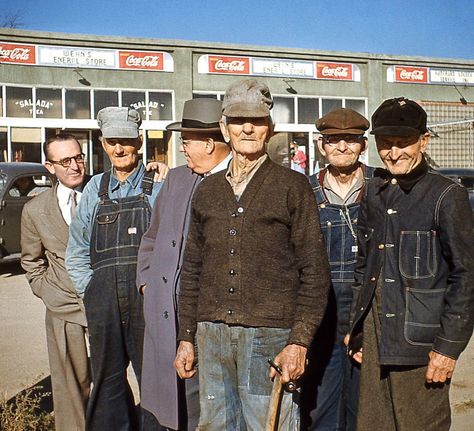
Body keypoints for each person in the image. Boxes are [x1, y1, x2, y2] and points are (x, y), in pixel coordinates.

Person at [174, 79, 331, 430]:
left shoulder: (293, 187)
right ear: (223, 129)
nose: (247, 127)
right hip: (211, 338)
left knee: (269, 425)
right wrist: (187, 337)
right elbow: (193, 269)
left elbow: (315, 273)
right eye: (238, 120)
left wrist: (299, 341)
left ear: (270, 129)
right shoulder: (207, 190)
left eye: (257, 120)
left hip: (269, 339)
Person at [346, 97, 474, 431]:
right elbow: (365, 265)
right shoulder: (374, 192)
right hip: (375, 342)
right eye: (385, 144)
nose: (393, 152)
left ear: (424, 140)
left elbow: (466, 276)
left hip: (422, 347)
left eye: (403, 143)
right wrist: (356, 329)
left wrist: (447, 349)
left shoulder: (447, 196)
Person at [136, 98, 231, 430]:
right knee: (168, 408)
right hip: (166, 316)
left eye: (186, 141)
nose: (182, 149)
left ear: (208, 143)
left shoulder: (238, 180)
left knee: (203, 407)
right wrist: (147, 282)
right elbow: (151, 237)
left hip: (208, 322)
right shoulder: (176, 180)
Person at [66, 107, 163, 431]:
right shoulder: (95, 188)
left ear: (138, 140)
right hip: (103, 299)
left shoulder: (158, 184)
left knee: (154, 380)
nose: (119, 149)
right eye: (112, 142)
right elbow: (77, 250)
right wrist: (91, 291)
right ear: (103, 143)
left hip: (146, 301)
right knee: (107, 382)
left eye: (126, 141)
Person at [301, 109, 372, 431]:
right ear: (321, 146)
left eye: (351, 140)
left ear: (363, 145)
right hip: (320, 310)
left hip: (368, 310)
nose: (342, 147)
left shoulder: (382, 188)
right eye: (333, 140)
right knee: (320, 406)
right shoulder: (304, 191)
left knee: (366, 403)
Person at [20, 133, 91, 431]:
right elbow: (31, 262)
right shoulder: (35, 210)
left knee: (111, 384)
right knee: (70, 389)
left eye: (78, 157)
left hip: (108, 307)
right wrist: (49, 293)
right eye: (65, 161)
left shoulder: (104, 194)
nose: (75, 166)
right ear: (50, 166)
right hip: (63, 310)